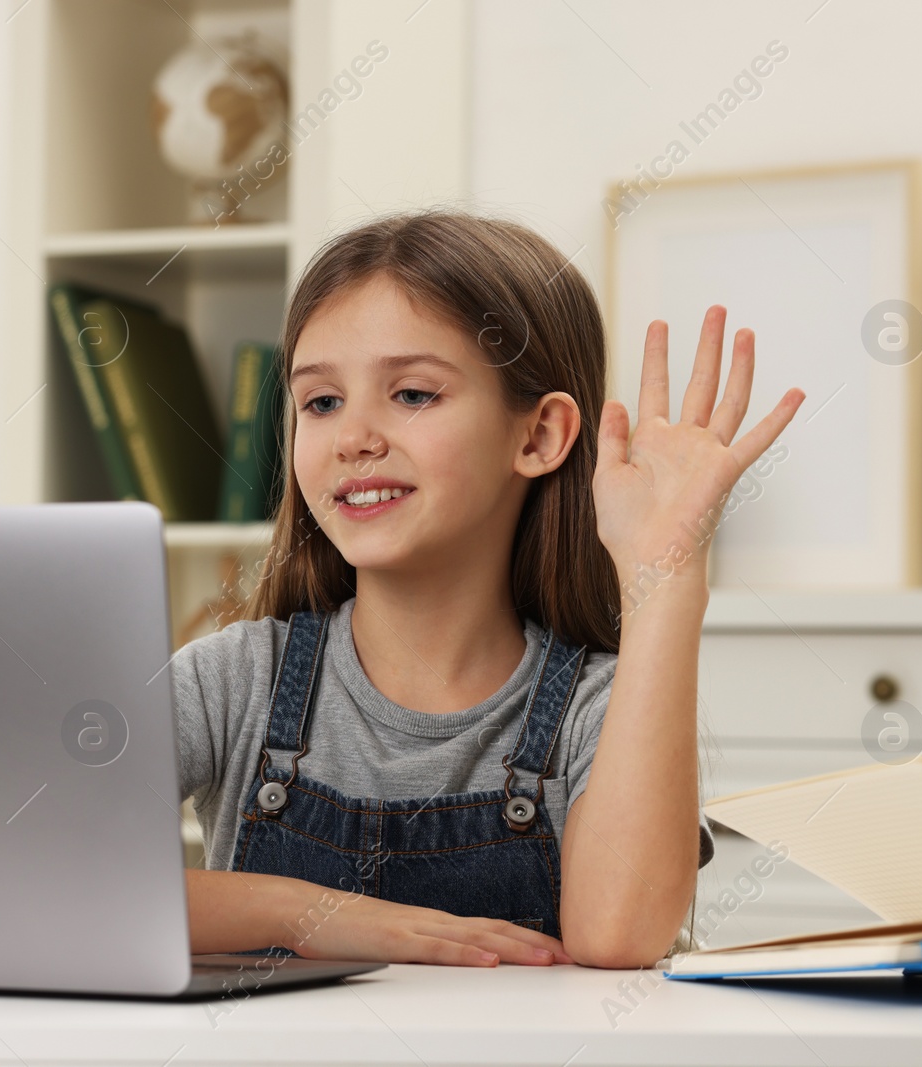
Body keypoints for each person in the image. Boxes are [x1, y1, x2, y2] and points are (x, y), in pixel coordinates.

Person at [172, 210, 804, 969]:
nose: (353, 438)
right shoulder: (232, 680)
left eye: (411, 394)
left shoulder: (592, 708)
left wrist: (664, 577)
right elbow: (13, 871)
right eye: (322, 402)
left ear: (537, 436)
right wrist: (309, 913)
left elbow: (620, 933)